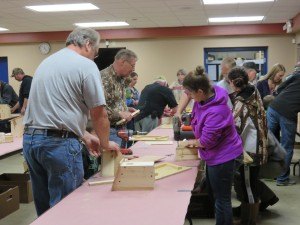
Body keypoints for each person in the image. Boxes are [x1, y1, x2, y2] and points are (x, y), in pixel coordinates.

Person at [23, 27, 120, 216]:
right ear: (88, 44)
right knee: (67, 207)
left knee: (45, 209)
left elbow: (53, 109)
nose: (94, 57)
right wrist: (106, 144)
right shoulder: (86, 65)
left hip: (31, 141)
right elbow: (99, 113)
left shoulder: (47, 62)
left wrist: (83, 135)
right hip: (58, 145)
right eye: (96, 52)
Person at [182, 66, 243, 225]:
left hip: (223, 157)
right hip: (213, 155)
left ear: (200, 91)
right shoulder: (205, 96)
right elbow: (196, 113)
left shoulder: (217, 110)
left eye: (190, 93)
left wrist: (192, 142)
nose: (188, 96)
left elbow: (206, 141)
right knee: (215, 195)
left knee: (222, 199)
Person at [228, 67, 268, 224]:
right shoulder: (254, 92)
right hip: (259, 145)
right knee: (251, 184)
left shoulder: (241, 102)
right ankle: (248, 216)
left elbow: (235, 128)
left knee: (248, 187)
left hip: (249, 151)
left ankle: (249, 220)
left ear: (232, 82)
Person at [267, 68, 300, 186]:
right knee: (287, 146)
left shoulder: (297, 75)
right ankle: (282, 179)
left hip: (273, 107)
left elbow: (280, 88)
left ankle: (270, 174)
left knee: (271, 143)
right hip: (288, 112)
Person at [101, 49, 138, 145]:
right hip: (110, 130)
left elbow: (115, 103)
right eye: (132, 65)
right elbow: (98, 110)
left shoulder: (121, 78)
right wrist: (120, 114)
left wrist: (126, 109)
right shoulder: (104, 78)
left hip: (121, 129)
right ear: (122, 62)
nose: (133, 69)